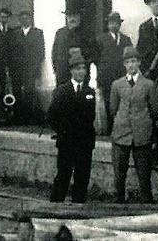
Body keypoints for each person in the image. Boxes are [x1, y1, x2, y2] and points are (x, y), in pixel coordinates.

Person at [109, 46, 158, 203]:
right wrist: (121, 121)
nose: (131, 65)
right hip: (121, 134)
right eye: (127, 62)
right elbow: (113, 109)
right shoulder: (117, 85)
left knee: (144, 174)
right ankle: (119, 202)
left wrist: (145, 125)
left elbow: (155, 110)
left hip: (142, 135)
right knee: (119, 173)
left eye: (133, 61)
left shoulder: (148, 85)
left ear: (139, 63)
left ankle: (146, 204)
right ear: (124, 65)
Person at [48, 50, 97, 203]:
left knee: (82, 177)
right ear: (71, 71)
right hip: (67, 142)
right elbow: (52, 116)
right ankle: (55, 208)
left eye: (83, 69)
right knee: (63, 176)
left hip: (84, 143)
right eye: (77, 69)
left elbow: (91, 117)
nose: (81, 72)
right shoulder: (62, 91)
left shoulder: (90, 92)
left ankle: (78, 209)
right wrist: (62, 131)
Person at [98, 12, 133, 132]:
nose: (114, 25)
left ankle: (121, 127)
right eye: (111, 23)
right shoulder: (101, 39)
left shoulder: (126, 39)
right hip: (106, 76)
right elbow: (96, 59)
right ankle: (110, 128)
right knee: (109, 102)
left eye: (116, 23)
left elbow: (130, 57)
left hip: (122, 76)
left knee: (122, 101)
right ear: (108, 24)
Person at [14, 10, 46, 124]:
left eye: (26, 18)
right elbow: (12, 51)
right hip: (17, 68)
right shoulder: (15, 33)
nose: (24, 20)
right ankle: (18, 116)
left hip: (31, 68)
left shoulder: (37, 33)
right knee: (17, 91)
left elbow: (40, 52)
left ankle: (28, 116)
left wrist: (36, 67)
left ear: (30, 19)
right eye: (22, 18)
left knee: (29, 91)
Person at [52, 11, 94, 86]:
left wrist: (81, 51)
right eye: (69, 16)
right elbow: (54, 54)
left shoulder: (86, 33)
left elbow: (93, 52)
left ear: (79, 17)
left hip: (80, 76)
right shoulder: (60, 33)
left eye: (75, 16)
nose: (72, 19)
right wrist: (57, 70)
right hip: (63, 75)